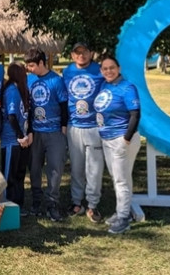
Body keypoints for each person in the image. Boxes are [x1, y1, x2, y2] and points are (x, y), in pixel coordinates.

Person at [93, 55, 141, 234]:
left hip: (121, 139)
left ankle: (123, 218)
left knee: (121, 180)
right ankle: (123, 211)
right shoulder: (105, 85)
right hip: (107, 139)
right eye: (104, 69)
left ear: (119, 68)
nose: (108, 71)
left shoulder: (127, 88)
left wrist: (126, 139)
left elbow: (135, 114)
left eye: (111, 67)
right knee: (119, 178)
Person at [62, 42, 106, 221]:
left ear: (91, 53)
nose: (81, 55)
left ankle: (93, 205)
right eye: (77, 53)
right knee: (77, 168)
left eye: (85, 52)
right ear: (72, 55)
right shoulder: (67, 72)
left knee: (94, 169)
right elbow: (63, 99)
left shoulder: (100, 71)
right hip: (74, 127)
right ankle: (76, 202)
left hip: (94, 127)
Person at [24, 47, 68, 222]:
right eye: (27, 65)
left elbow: (64, 105)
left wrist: (63, 128)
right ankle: (36, 200)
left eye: (32, 65)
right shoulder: (29, 80)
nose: (29, 68)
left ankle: (52, 203)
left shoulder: (56, 81)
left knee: (55, 169)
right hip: (35, 132)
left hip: (54, 132)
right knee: (34, 168)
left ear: (41, 63)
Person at [0, 62, 32, 214]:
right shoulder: (12, 90)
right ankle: (7, 207)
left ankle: (19, 205)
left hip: (22, 140)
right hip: (11, 140)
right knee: (9, 176)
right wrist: (20, 136)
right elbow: (11, 116)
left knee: (20, 174)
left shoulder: (21, 89)